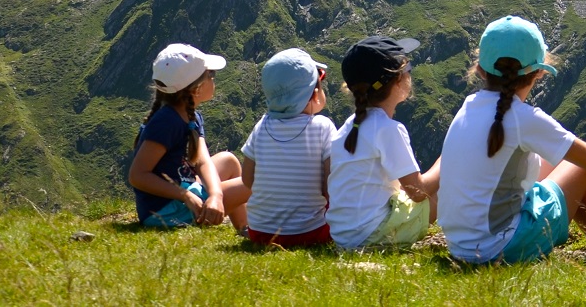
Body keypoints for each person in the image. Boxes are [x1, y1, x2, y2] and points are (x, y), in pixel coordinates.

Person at [436, 16, 586, 264]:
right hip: (503, 246)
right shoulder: (523, 118)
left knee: (578, 161)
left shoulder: (469, 106)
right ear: (540, 72)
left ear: (480, 69)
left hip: (462, 246)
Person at [328, 36, 441, 250]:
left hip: (345, 235)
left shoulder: (348, 128)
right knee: (447, 185)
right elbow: (418, 192)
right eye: (408, 68)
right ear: (397, 80)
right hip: (373, 234)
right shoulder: (388, 129)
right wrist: (447, 159)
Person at [126, 43, 235, 228]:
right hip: (167, 212)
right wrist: (185, 196)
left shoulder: (190, 116)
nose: (214, 80)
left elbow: (202, 161)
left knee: (228, 160)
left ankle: (243, 228)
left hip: (182, 196)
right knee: (253, 183)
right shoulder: (167, 122)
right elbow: (137, 175)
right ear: (196, 89)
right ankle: (253, 230)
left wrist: (216, 195)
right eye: (211, 75)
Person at [236, 47, 337, 246]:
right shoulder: (323, 127)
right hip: (311, 233)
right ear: (315, 94)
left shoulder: (261, 126)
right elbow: (330, 187)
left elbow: (247, 180)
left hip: (260, 232)